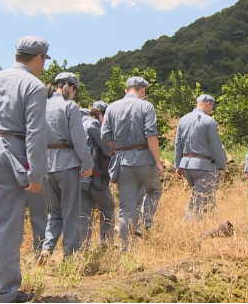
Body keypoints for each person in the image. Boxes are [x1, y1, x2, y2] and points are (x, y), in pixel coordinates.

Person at [0, 36, 50, 303]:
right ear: (38, 58)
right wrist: (36, 173)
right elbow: (36, 133)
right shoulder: (34, 85)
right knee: (8, 225)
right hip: (10, 159)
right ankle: (4, 291)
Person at [101, 76, 163, 250]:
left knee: (125, 205)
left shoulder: (112, 107)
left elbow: (105, 136)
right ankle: (144, 223)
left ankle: (125, 246)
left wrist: (117, 149)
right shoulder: (146, 106)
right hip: (144, 158)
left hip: (123, 162)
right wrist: (158, 162)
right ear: (143, 90)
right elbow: (151, 135)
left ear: (127, 89)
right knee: (154, 190)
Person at [39, 72, 93, 260]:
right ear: (72, 88)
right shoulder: (69, 106)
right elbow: (79, 140)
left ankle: (46, 248)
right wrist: (87, 163)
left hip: (45, 164)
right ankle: (70, 255)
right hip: (67, 164)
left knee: (54, 212)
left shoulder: (41, 105)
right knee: (71, 212)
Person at [174, 94, 227, 219]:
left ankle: (192, 222)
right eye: (211, 107)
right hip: (204, 165)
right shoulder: (209, 121)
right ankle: (194, 225)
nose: (211, 110)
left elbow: (178, 144)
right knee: (204, 200)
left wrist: (178, 165)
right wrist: (221, 166)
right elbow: (215, 146)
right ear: (208, 104)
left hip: (186, 164)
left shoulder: (183, 119)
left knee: (197, 195)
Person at [79, 100, 116, 246]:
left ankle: (83, 247)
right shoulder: (93, 125)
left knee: (84, 213)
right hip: (96, 177)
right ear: (100, 113)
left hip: (81, 176)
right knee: (108, 208)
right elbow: (107, 148)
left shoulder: (79, 123)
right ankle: (106, 243)